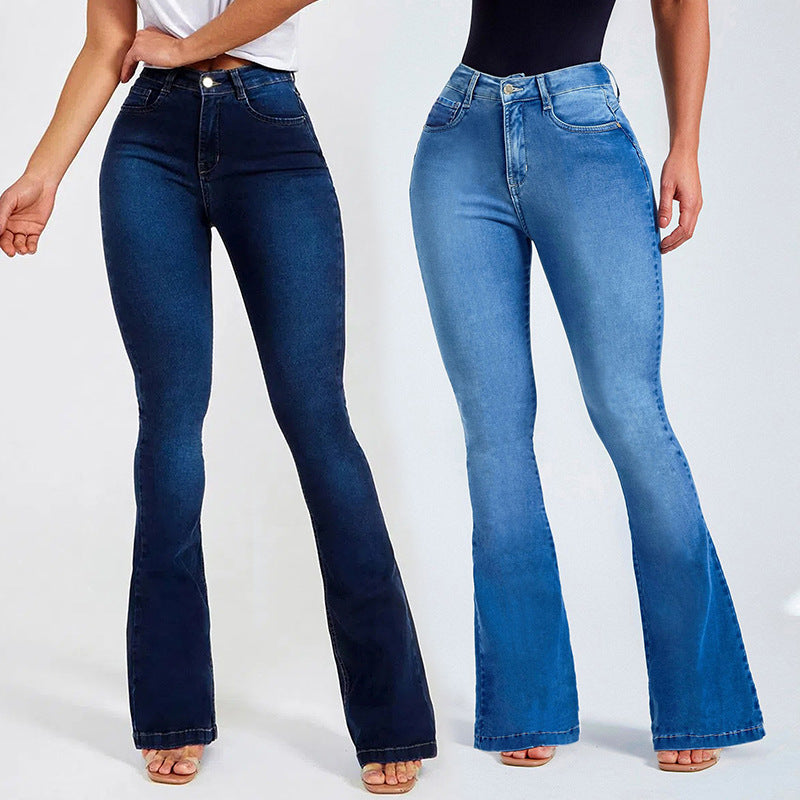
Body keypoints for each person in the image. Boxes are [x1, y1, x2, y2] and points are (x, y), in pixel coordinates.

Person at [0, 0, 436, 791]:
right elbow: (108, 40)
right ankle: (171, 712)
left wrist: (187, 47)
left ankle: (391, 716)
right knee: (169, 426)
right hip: (148, 143)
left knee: (319, 422)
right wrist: (43, 172)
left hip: (269, 128)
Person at [409, 0, 764, 773]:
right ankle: (526, 700)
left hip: (581, 131)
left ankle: (699, 701)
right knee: (493, 431)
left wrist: (686, 145)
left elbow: (680, 6)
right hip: (459, 130)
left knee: (629, 411)